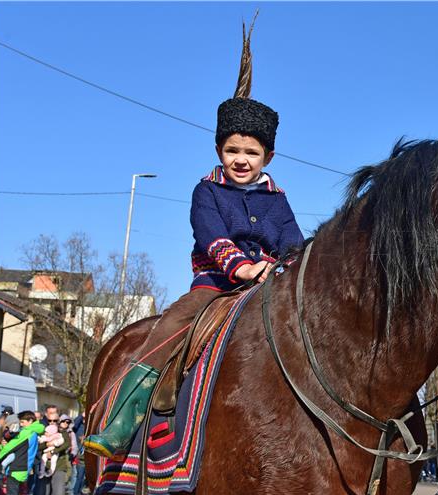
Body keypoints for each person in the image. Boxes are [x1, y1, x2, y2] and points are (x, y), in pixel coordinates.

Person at [84, 19, 304, 459]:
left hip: (268, 286)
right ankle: (123, 419)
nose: (241, 160)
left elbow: (293, 242)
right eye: (232, 151)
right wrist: (242, 267)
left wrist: (289, 267)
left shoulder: (277, 199)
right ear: (219, 151)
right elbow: (210, 235)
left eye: (251, 153)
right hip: (214, 286)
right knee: (168, 328)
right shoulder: (206, 191)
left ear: (269, 156)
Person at [0, 410, 44, 495]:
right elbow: (12, 445)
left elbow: (11, 447)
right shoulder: (31, 432)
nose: (21, 424)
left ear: (30, 421)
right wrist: (4, 444)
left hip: (17, 467)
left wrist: (0, 454)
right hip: (20, 467)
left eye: (22, 422)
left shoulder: (27, 432)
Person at [34, 416, 71, 495]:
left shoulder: (62, 432)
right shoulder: (43, 432)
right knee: (44, 493)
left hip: (59, 467)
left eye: (55, 421)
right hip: (45, 467)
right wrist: (47, 444)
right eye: (50, 421)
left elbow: (66, 444)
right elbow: (38, 446)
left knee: (59, 494)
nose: (52, 423)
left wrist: (54, 449)